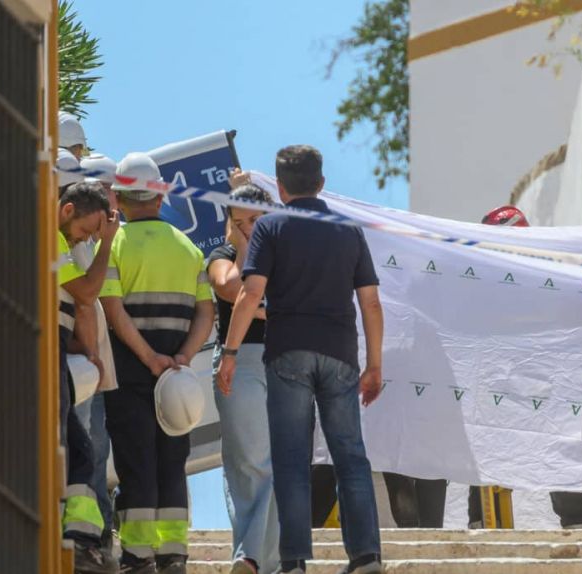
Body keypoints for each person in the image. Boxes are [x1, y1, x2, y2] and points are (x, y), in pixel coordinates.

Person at [217, 145, 384, 574]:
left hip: (287, 353)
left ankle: (293, 562)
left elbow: (250, 294)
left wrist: (230, 353)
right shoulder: (348, 230)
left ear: (280, 186)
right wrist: (374, 365)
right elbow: (370, 302)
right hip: (340, 354)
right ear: (321, 182)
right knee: (351, 456)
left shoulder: (271, 227)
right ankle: (366, 556)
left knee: (291, 460)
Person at [100, 152, 215, 574]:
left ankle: (137, 555)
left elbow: (112, 308)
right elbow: (206, 312)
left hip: (130, 374)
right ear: (161, 195)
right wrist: (183, 356)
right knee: (171, 462)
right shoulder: (188, 248)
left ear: (118, 197)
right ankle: (174, 553)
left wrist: (148, 358)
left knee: (136, 462)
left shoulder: (114, 246)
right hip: (176, 378)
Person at [477, 205, 582, 530]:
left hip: (541, 379)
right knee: (488, 449)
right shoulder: (489, 278)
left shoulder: (546, 271)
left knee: (553, 452)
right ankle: (485, 524)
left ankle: (577, 524)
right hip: (505, 378)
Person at [208, 180, 280, 574]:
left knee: (276, 463)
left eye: (256, 221)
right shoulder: (222, 255)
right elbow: (229, 287)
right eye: (240, 223)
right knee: (249, 462)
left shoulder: (287, 254)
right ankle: (252, 556)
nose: (250, 229)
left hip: (285, 362)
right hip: (241, 363)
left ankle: (259, 560)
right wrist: (242, 247)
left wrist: (262, 305)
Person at [57, 181, 119, 573]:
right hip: (47, 356)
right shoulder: (53, 240)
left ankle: (80, 543)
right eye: (86, 230)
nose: (86, 239)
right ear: (67, 211)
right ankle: (78, 545)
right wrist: (107, 244)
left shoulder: (61, 242)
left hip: (58, 351)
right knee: (73, 449)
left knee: (79, 450)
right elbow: (86, 294)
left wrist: (80, 347)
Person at [74, 152, 121, 550]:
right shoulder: (75, 241)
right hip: (83, 362)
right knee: (86, 449)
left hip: (93, 363)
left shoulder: (90, 238)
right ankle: (89, 535)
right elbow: (87, 298)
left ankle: (98, 531)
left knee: (95, 450)